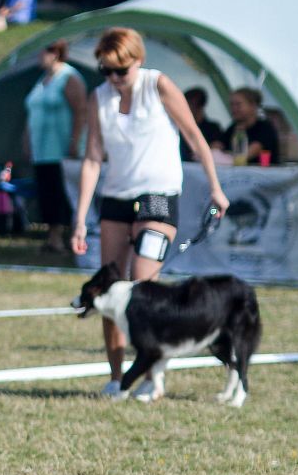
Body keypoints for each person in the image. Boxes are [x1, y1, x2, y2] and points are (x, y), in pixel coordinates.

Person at [72, 27, 227, 397]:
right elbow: (93, 158)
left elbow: (194, 137)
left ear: (137, 62)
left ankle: (150, 378)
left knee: (144, 289)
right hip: (115, 199)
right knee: (109, 290)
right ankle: (116, 377)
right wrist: (79, 219)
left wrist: (216, 188)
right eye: (104, 70)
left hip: (157, 195)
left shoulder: (157, 85)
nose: (113, 78)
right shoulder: (99, 98)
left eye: (119, 71)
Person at [22, 40, 87, 253]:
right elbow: (32, 114)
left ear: (56, 53)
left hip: (61, 149)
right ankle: (52, 237)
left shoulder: (69, 78)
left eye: (43, 51)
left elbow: (81, 111)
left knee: (62, 194)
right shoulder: (42, 81)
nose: (39, 56)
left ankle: (66, 236)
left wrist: (75, 141)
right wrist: (27, 141)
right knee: (46, 193)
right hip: (41, 150)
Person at [223, 87, 281, 165]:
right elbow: (220, 145)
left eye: (238, 104)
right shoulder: (232, 128)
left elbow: (248, 153)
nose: (234, 108)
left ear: (253, 105)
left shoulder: (265, 128)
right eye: (232, 104)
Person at [180, 87, 225, 163]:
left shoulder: (213, 128)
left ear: (200, 107)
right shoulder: (180, 127)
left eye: (189, 104)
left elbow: (218, 147)